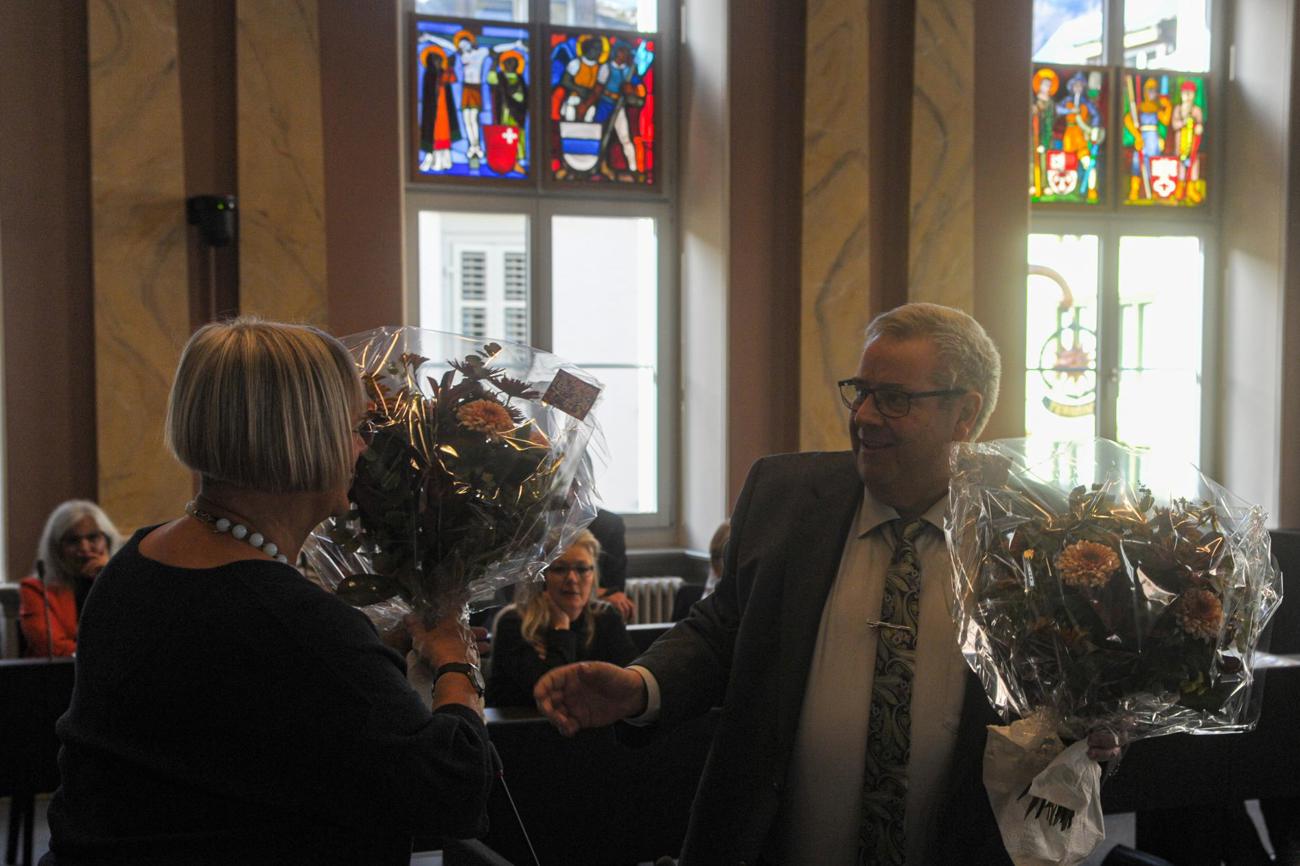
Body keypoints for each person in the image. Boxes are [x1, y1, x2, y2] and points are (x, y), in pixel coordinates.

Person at [534, 303, 1120, 865]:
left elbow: (1075, 690)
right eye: (860, 391)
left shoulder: (1033, 536)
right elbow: (722, 628)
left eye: (893, 399)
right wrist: (641, 685)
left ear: (964, 413)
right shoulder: (783, 495)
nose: (864, 416)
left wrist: (1101, 727)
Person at [42, 319, 492, 866]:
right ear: (305, 437)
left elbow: (265, 726)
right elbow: (451, 794)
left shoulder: (135, 563)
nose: (362, 450)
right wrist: (455, 662)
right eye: (357, 427)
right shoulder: (294, 623)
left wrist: (379, 655)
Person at [486, 530, 638, 708]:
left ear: (593, 575)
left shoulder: (606, 617)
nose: (572, 579)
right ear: (542, 577)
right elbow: (551, 694)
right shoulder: (514, 623)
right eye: (560, 569)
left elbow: (629, 683)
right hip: (527, 730)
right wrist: (561, 628)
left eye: (582, 569)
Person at [18, 500, 122, 657]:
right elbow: (53, 649)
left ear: (108, 541)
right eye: (73, 541)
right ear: (56, 549)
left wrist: (110, 577)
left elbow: (137, 636)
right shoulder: (37, 590)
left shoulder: (124, 584)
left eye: (93, 538)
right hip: (62, 677)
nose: (85, 548)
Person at [588, 508, 635, 620]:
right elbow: (541, 591)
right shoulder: (543, 518)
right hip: (548, 608)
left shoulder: (609, 523)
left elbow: (616, 589)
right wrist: (599, 593)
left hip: (597, 608)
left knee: (619, 605)